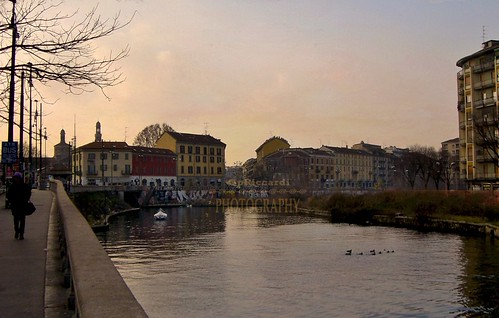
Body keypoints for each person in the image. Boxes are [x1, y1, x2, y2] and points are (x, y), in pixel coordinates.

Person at [6, 172, 32, 240]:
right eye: (15, 178)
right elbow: (28, 193)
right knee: (17, 220)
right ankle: (18, 232)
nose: (16, 179)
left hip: (19, 205)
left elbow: (8, 195)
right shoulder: (23, 186)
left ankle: (20, 233)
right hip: (18, 205)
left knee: (20, 220)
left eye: (16, 178)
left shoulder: (14, 186)